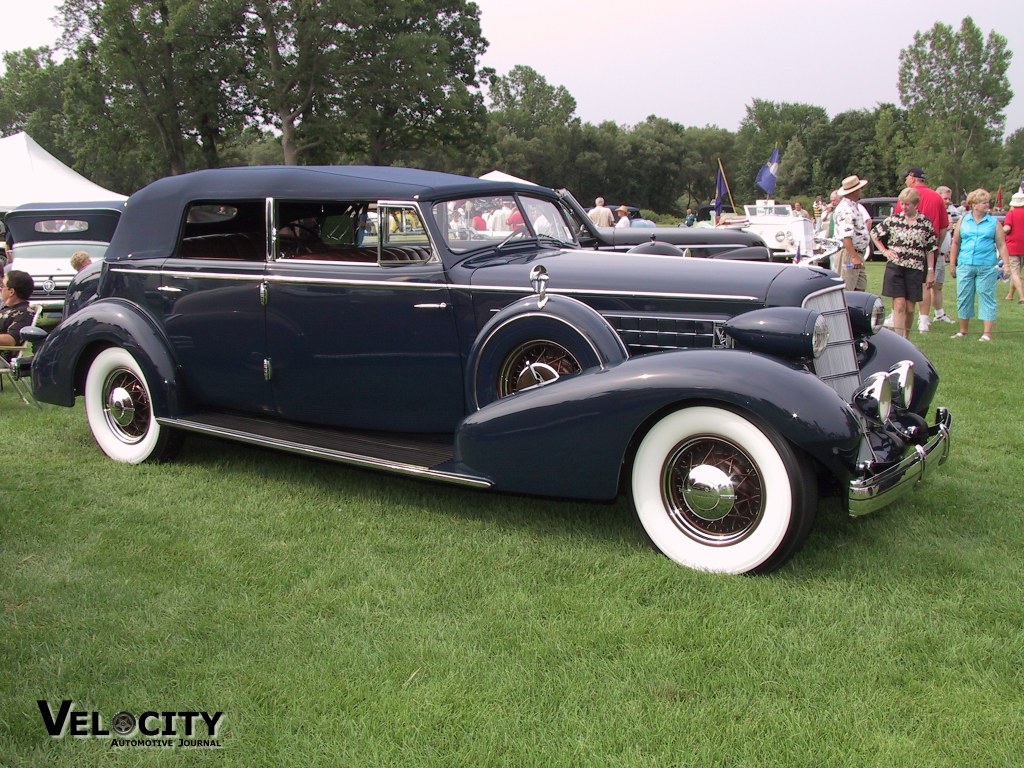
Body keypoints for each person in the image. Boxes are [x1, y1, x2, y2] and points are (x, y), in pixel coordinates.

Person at [871, 187, 937, 339]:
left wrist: (931, 271)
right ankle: (899, 339)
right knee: (899, 305)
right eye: (902, 203)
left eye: (908, 204)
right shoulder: (894, 220)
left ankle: (906, 336)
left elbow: (931, 248)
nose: (904, 207)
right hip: (896, 267)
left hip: (915, 268)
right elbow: (874, 233)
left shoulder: (924, 223)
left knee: (909, 308)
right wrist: (885, 251)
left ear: (915, 204)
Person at [949, 188, 1010, 342]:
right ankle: (963, 331)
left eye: (987, 202)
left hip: (987, 265)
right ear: (974, 205)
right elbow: (955, 243)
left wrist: (1007, 265)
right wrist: (952, 263)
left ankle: (987, 334)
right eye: (983, 203)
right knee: (963, 297)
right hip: (965, 264)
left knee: (987, 296)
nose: (987, 205)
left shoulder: (994, 222)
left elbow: (1001, 244)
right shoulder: (963, 221)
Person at [896, 168, 949, 332]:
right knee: (927, 283)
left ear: (912, 178)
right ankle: (924, 320)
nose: (905, 180)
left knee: (905, 285)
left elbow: (897, 223)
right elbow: (943, 228)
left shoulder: (905, 196)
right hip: (929, 249)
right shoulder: (936, 197)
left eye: (907, 178)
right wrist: (935, 246)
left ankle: (900, 316)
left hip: (908, 251)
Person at [833, 175, 870, 290]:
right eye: (859, 189)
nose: (861, 191)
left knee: (859, 287)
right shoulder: (846, 209)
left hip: (856, 253)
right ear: (854, 191)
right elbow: (846, 236)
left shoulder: (853, 207)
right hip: (849, 255)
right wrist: (854, 256)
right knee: (847, 289)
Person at [929, 186, 960, 324]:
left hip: (942, 254)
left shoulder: (951, 211)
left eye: (949, 198)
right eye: (945, 198)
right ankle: (923, 317)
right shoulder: (935, 210)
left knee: (938, 286)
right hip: (933, 254)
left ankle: (939, 314)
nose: (947, 201)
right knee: (928, 285)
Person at [1, 270, 36, 352]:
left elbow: (10, 340)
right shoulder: (6, 308)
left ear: (11, 292)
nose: (0, 288)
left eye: (2, 286)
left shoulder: (24, 313)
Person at [1001, 190, 1024, 303]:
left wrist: (999, 233)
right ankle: (1010, 295)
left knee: (1014, 272)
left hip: (1013, 246)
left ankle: (1022, 297)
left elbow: (1007, 228)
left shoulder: (1011, 214)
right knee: (1017, 272)